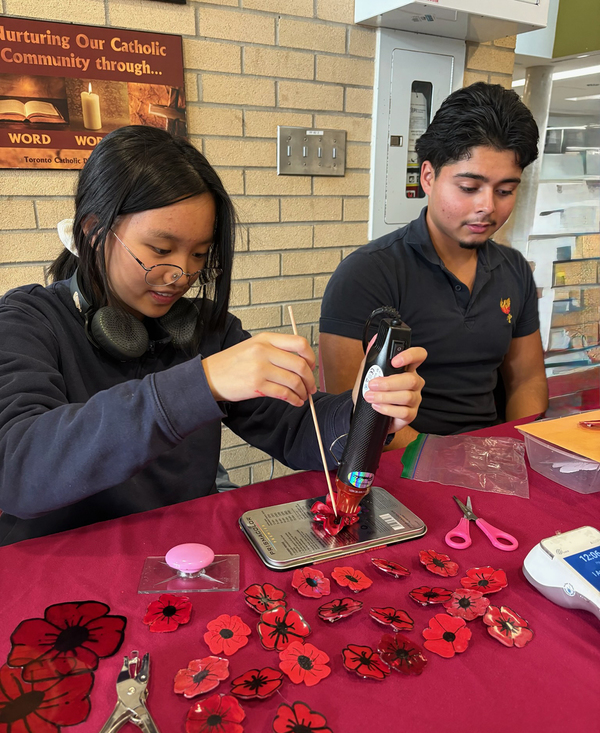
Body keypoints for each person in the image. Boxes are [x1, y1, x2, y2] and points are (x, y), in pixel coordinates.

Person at [0, 126, 426, 546]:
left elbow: (298, 429)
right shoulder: (26, 321)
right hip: (61, 569)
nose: (181, 274)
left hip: (184, 557)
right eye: (161, 250)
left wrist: (363, 414)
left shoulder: (207, 328)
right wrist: (200, 383)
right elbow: (18, 471)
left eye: (199, 255)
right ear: (94, 231)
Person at [319, 82, 548, 448]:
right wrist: (447, 460)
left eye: (505, 191)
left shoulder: (514, 270)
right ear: (428, 176)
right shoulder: (366, 275)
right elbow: (350, 413)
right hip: (398, 464)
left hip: (494, 458)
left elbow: (526, 381)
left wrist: (515, 447)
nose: (488, 206)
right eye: (470, 187)